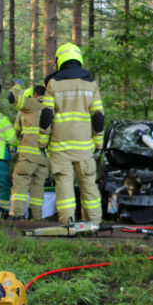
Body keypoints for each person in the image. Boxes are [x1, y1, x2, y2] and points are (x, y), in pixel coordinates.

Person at [39, 42, 105, 224]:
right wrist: (99, 143)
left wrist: (42, 143)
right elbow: (98, 116)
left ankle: (67, 224)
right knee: (89, 186)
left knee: (64, 187)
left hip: (60, 148)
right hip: (84, 148)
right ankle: (93, 224)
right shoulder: (91, 84)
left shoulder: (53, 83)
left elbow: (46, 115)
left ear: (60, 61)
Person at [7, 82, 49, 220]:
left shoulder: (30, 104)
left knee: (20, 183)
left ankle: (17, 214)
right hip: (44, 158)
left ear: (35, 94)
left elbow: (16, 133)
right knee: (38, 187)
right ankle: (36, 216)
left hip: (27, 155)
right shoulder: (53, 107)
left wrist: (18, 86)